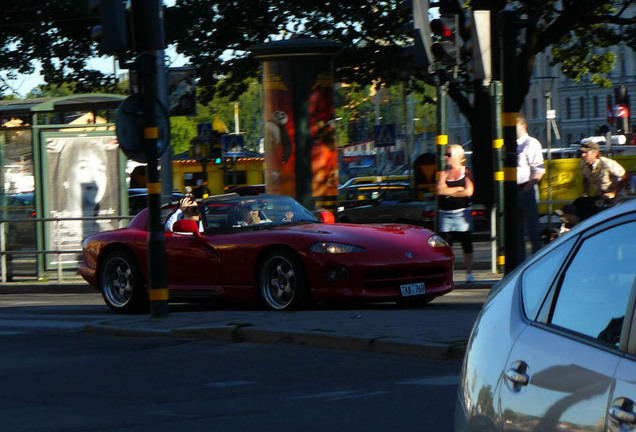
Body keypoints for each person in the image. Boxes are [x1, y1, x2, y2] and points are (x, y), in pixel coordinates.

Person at [437, 144, 475, 283]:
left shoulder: (466, 172)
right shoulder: (444, 173)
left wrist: (451, 191)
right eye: (446, 154)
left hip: (461, 213)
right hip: (445, 214)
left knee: (466, 243)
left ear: (458, 157)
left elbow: (469, 191)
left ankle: (469, 273)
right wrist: (458, 189)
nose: (446, 157)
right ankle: (446, 275)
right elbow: (440, 190)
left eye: (449, 154)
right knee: (445, 245)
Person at [516, 113, 545, 259]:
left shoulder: (531, 143)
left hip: (525, 188)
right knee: (517, 231)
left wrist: (528, 187)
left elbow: (538, 169)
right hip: (513, 190)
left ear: (523, 126)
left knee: (533, 229)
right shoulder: (509, 144)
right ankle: (519, 261)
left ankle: (536, 259)